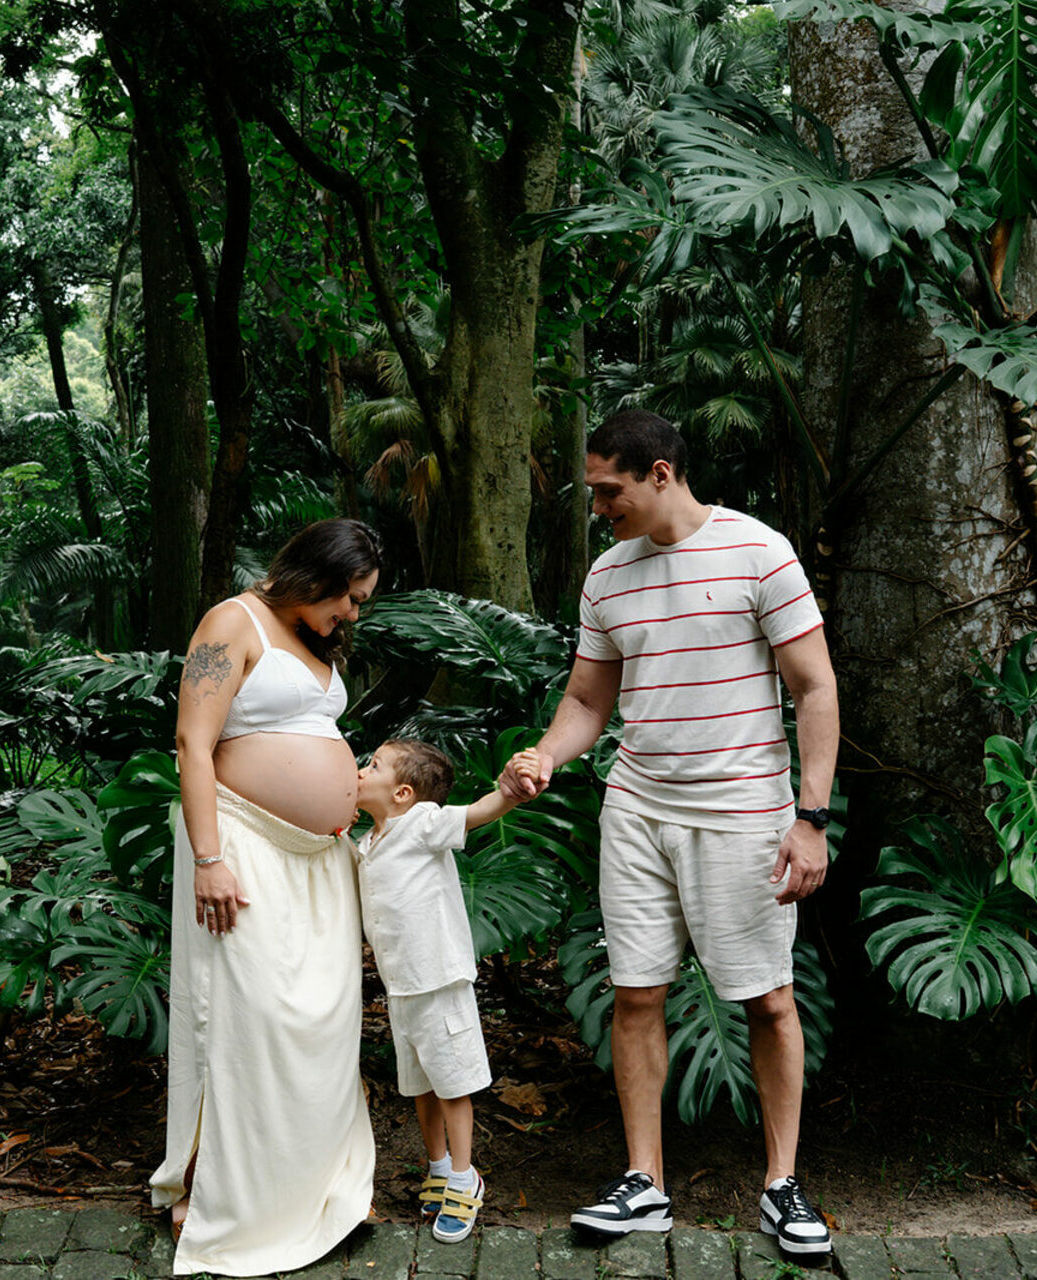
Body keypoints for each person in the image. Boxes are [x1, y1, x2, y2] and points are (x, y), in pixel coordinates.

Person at [500, 410, 839, 1255]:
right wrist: (547, 754)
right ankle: (644, 1184)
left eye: (607, 490)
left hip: (742, 814)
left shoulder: (759, 552)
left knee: (768, 998)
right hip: (638, 811)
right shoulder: (608, 576)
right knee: (637, 993)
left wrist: (810, 819)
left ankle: (782, 1186)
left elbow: (815, 688)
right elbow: (588, 700)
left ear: (659, 473)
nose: (597, 507)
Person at [149, 518, 383, 1277]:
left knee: (324, 1020)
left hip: (317, 861)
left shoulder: (316, 638)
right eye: (349, 596)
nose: (352, 613)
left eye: (361, 601)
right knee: (247, 1017)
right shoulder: (232, 622)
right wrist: (209, 858)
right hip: (241, 843)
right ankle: (220, 1192)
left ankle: (311, 1188)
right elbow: (193, 743)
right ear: (315, 575)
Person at [351, 739, 532, 1244]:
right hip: (401, 987)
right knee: (420, 1086)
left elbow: (478, 812)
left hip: (439, 982)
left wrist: (511, 792)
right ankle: (437, 1166)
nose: (362, 770)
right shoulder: (368, 842)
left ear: (403, 793)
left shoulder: (421, 823)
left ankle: (464, 1176)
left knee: (452, 1084)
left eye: (374, 766)